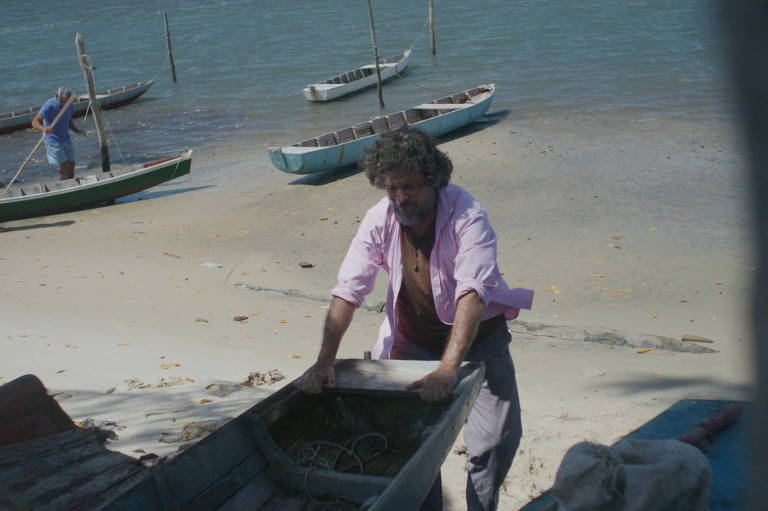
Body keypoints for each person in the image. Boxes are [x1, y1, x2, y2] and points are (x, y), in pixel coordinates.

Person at [298, 128, 534, 510]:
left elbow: (472, 293)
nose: (401, 198)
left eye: (410, 186)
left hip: (481, 340)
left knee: (496, 440)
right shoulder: (379, 219)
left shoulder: (468, 215)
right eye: (392, 189)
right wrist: (324, 361)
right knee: (410, 443)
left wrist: (447, 369)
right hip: (411, 340)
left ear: (434, 180)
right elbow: (348, 290)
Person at [31, 87, 87, 180]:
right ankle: (62, 187)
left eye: (66, 101)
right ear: (57, 96)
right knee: (64, 165)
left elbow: (68, 119)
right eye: (62, 101)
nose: (64, 103)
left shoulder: (69, 104)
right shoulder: (49, 106)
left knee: (71, 164)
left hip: (65, 137)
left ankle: (71, 185)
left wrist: (76, 130)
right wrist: (44, 129)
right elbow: (34, 122)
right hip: (52, 139)